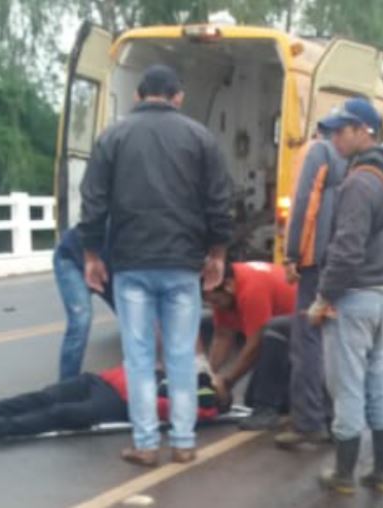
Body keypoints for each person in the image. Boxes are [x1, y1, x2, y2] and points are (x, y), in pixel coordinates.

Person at [79, 64, 233, 466]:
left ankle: (146, 444)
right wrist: (217, 252)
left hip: (131, 263)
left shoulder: (112, 136)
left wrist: (92, 254)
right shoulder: (200, 138)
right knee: (182, 355)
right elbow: (219, 200)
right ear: (177, 96)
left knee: (140, 356)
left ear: (138, 96)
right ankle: (183, 442)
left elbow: (93, 200)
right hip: (183, 264)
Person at [309, 97, 383, 495]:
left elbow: (347, 249)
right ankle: (382, 473)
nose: (334, 136)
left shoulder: (359, 182)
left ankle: (344, 475)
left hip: (355, 297)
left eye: (341, 129)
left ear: (364, 130)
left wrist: (324, 297)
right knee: (376, 386)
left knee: (346, 387)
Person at [0, 365, 230, 446]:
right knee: (42, 397)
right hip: (101, 379)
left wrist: (212, 399)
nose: (214, 378)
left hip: (118, 403)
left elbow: (163, 408)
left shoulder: (201, 405)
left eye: (218, 383)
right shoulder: (184, 372)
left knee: (59, 414)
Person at [278, 125, 347, 448]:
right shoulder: (354, 158)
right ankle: (337, 418)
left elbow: (304, 204)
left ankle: (308, 421)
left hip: (314, 261)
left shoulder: (317, 152)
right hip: (342, 261)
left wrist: (291, 253)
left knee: (306, 340)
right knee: (335, 342)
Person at [200, 262, 297, 430]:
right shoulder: (224, 287)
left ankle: (269, 410)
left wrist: (227, 381)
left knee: (270, 335)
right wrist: (209, 377)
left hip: (303, 335)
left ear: (228, 286)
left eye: (216, 301)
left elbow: (255, 346)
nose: (215, 307)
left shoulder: (252, 290)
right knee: (251, 399)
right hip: (284, 337)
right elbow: (223, 335)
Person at [55, 227, 113, 380]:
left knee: (134, 322)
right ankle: (67, 385)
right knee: (81, 319)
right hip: (73, 260)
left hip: (109, 268)